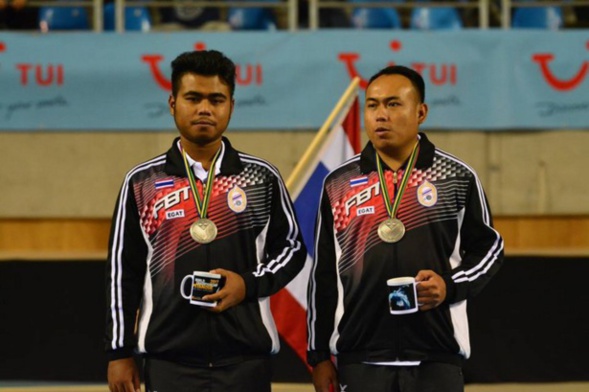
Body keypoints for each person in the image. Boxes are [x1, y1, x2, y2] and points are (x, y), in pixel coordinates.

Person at [105, 49, 307, 392]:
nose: (204, 109)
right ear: (172, 104)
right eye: (193, 98)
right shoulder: (142, 183)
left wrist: (247, 284)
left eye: (216, 99)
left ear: (231, 106)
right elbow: (123, 273)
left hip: (245, 361)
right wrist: (118, 352)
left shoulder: (260, 177)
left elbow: (292, 249)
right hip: (169, 363)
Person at [307, 65, 504, 392]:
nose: (380, 115)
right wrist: (318, 356)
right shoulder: (338, 183)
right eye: (372, 105)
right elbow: (323, 275)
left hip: (436, 356)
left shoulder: (455, 177)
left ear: (421, 112)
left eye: (393, 104)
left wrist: (449, 284)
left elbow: (489, 250)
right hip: (360, 358)